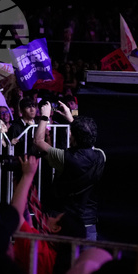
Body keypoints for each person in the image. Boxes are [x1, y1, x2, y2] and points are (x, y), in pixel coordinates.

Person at [32, 101, 106, 242]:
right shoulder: (100, 155)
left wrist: (45, 116)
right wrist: (71, 119)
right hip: (88, 222)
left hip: (65, 222)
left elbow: (38, 141)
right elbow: (87, 141)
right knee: (86, 263)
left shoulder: (65, 158)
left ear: (74, 137)